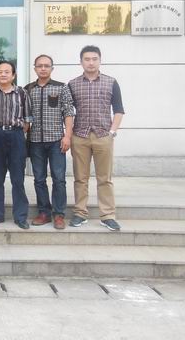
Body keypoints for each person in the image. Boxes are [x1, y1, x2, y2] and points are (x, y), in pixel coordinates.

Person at [68, 45, 125, 231]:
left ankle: (107, 215)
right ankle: (80, 213)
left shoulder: (111, 82)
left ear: (100, 60)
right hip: (80, 136)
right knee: (80, 178)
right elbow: (68, 111)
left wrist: (112, 132)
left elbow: (119, 110)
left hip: (103, 136)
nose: (91, 63)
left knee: (105, 178)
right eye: (87, 59)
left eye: (94, 59)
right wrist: (69, 134)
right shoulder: (72, 84)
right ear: (81, 62)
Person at [25, 54, 75, 230]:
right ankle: (44, 212)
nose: (43, 68)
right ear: (35, 68)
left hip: (56, 141)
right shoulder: (28, 89)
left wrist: (67, 136)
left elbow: (68, 112)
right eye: (40, 66)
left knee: (59, 179)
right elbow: (26, 116)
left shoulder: (62, 87)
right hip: (35, 141)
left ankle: (59, 214)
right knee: (39, 179)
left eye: (47, 66)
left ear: (52, 68)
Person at [0, 60, 32, 229]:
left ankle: (20, 217)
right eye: (0, 72)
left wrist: (17, 133)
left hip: (16, 136)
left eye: (7, 72)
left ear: (13, 75)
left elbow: (28, 119)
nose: (3, 74)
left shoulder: (22, 93)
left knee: (17, 179)